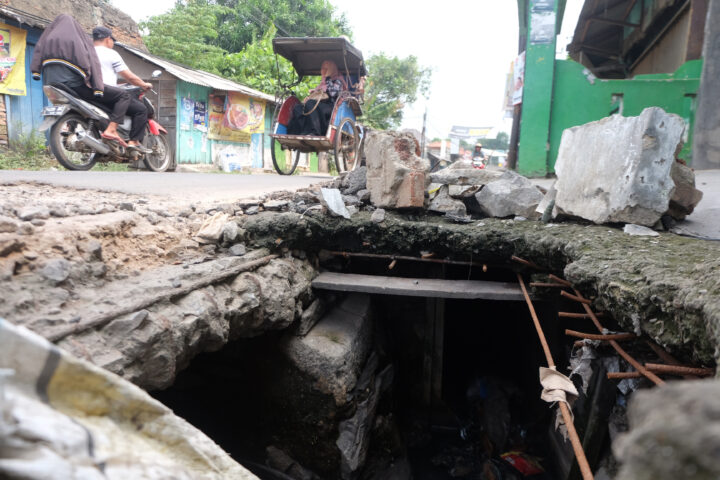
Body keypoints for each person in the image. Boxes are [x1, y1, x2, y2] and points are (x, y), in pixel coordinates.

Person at [30, 15, 131, 147]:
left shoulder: (46, 39)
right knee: (124, 95)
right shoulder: (79, 40)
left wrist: (36, 72)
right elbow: (92, 64)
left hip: (52, 84)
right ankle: (111, 130)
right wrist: (98, 87)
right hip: (74, 85)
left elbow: (37, 55)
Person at [92, 26, 152, 152]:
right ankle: (133, 141)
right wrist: (143, 84)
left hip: (88, 91)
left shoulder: (86, 51)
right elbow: (129, 76)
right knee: (141, 110)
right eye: (112, 40)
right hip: (105, 92)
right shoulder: (111, 54)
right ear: (108, 39)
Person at [287, 60, 347, 136]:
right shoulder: (323, 82)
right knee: (298, 108)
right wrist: (309, 98)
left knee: (310, 104)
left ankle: (315, 132)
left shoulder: (338, 81)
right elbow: (317, 95)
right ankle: (296, 133)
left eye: (326, 68)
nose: (323, 70)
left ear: (331, 69)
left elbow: (333, 93)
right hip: (319, 104)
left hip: (332, 107)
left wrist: (328, 78)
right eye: (322, 68)